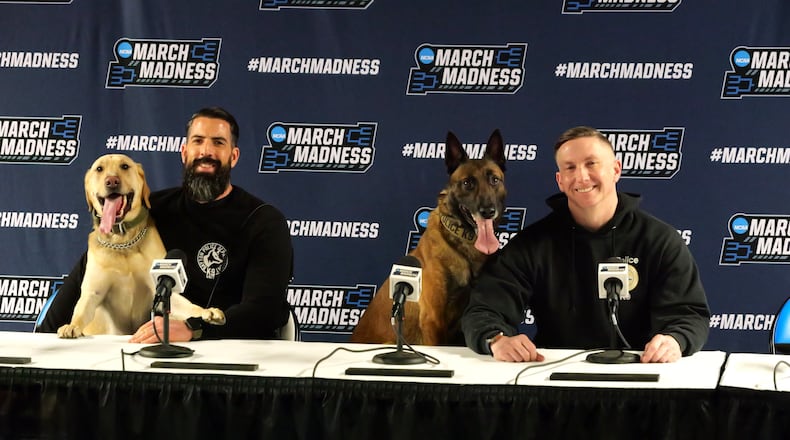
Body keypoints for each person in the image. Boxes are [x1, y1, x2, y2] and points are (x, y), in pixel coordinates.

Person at [38, 107, 294, 342]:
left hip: (225, 358)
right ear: (184, 153)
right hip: (147, 356)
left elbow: (265, 311)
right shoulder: (151, 209)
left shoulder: (264, 221)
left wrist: (194, 328)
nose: (206, 151)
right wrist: (40, 342)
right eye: (197, 141)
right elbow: (94, 263)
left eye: (218, 142)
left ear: (234, 156)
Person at [461, 126, 710, 363]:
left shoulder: (659, 240)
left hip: (642, 377)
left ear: (616, 170)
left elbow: (688, 315)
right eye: (570, 168)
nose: (581, 176)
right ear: (560, 180)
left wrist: (675, 340)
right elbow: (483, 311)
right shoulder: (533, 244)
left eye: (591, 163)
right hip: (556, 381)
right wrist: (496, 339)